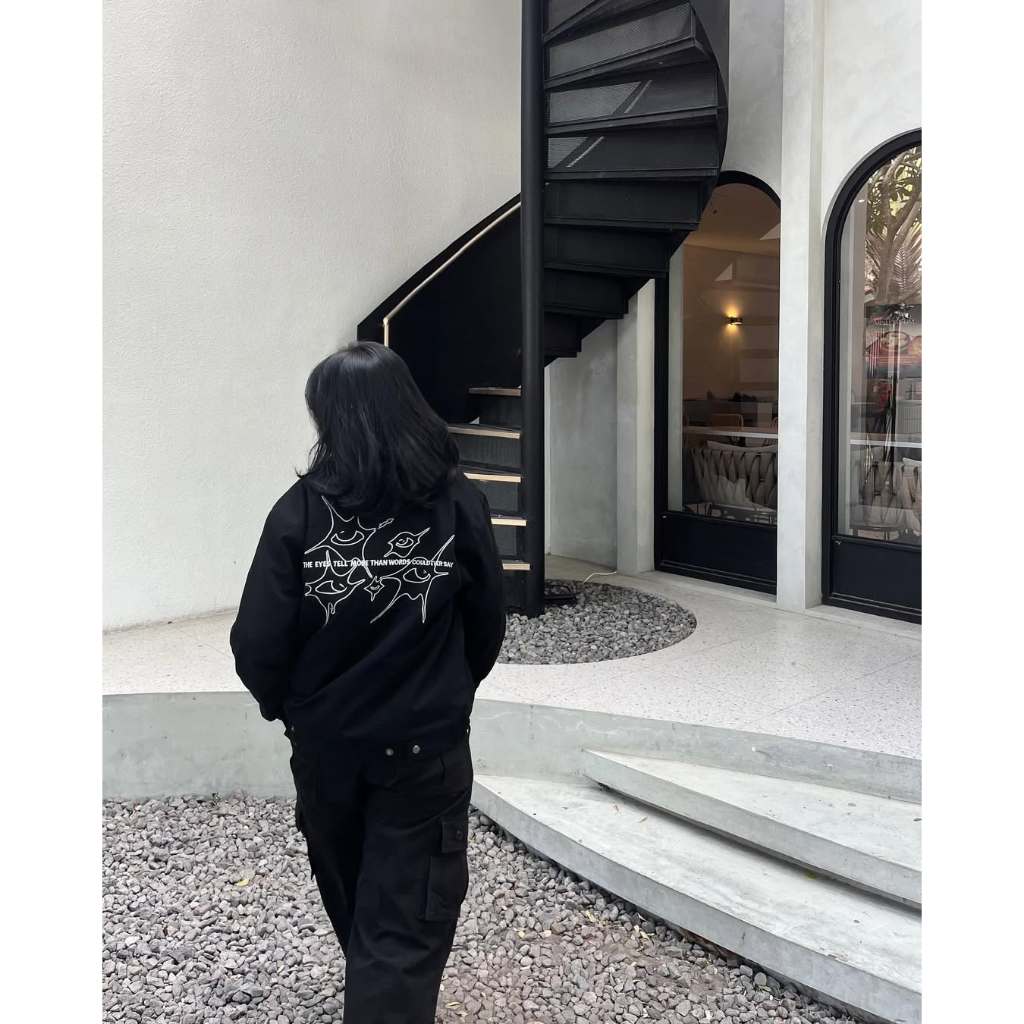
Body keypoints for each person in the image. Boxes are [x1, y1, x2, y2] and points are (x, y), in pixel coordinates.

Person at [229, 341, 506, 1024]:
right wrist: (442, 694)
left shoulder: (297, 512)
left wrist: (297, 712)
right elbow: (486, 624)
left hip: (330, 750)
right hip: (423, 752)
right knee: (402, 919)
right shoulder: (457, 503)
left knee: (359, 895)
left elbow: (257, 643)